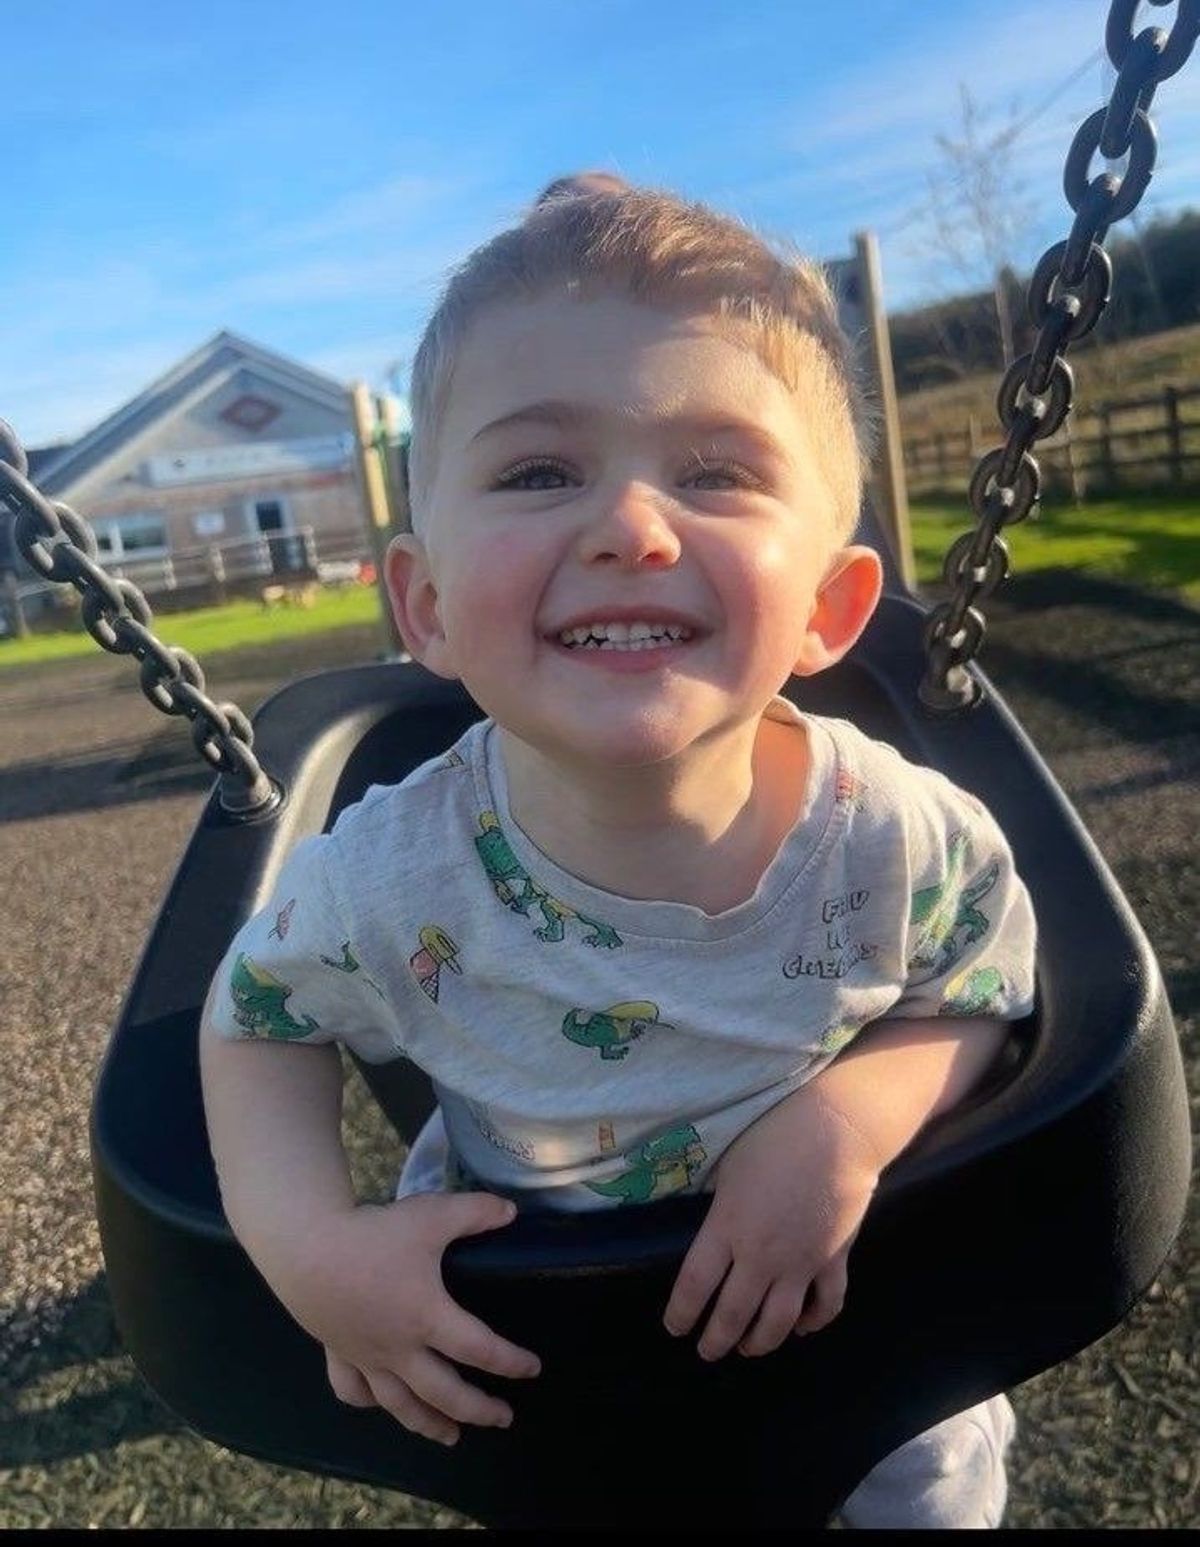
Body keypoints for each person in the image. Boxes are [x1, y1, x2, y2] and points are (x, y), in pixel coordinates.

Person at [199, 175, 1035, 1529]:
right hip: (561, 1366)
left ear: (830, 607)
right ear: (425, 604)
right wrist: (308, 1246)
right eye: (540, 472)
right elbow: (254, 1028)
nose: (632, 527)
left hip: (870, 1355)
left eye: (715, 472)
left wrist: (842, 1125)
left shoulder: (897, 837)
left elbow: (983, 997)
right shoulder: (392, 873)